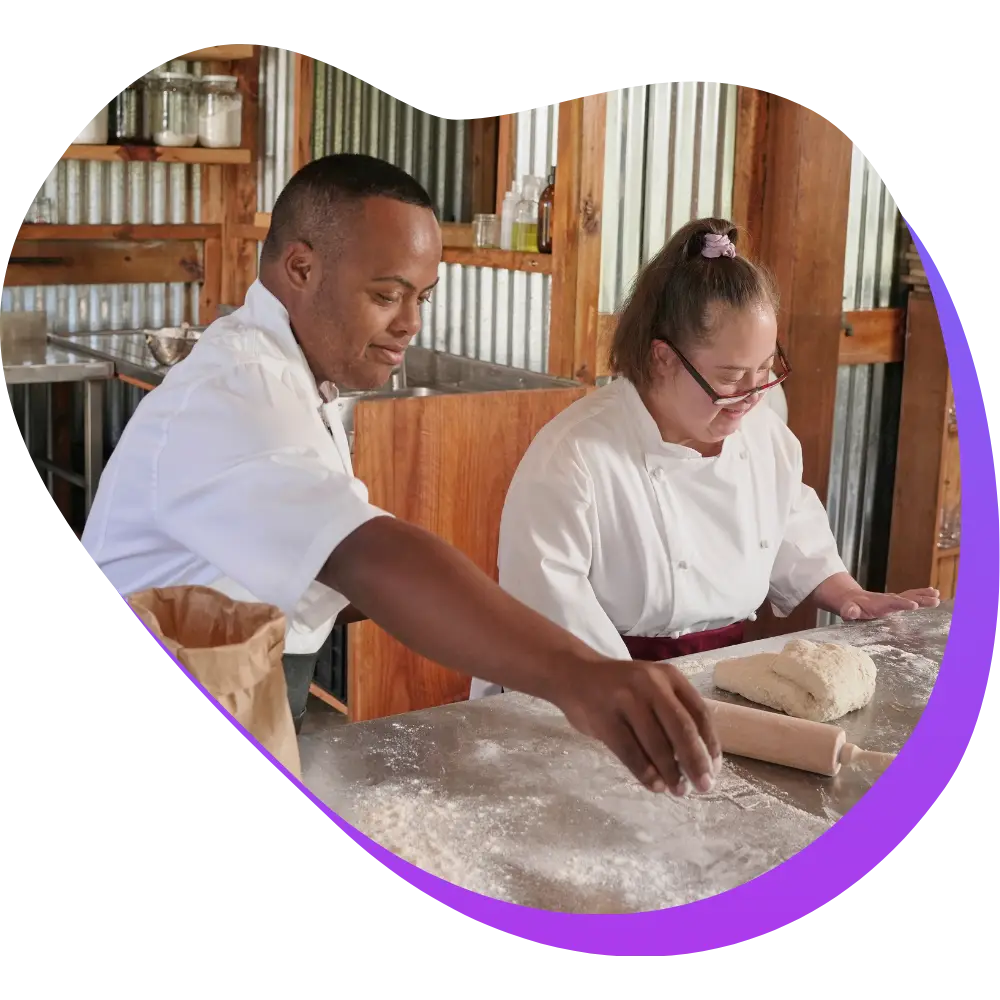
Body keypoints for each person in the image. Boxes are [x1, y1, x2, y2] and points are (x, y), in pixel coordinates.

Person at [79, 154, 722, 799]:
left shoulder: (299, 377)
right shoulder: (239, 391)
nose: (410, 322)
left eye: (421, 298)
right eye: (387, 295)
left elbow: (324, 564)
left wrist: (481, 613)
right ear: (301, 268)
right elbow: (365, 554)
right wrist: (578, 674)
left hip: (255, 694)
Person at [470, 218, 939, 699]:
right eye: (732, 376)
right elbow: (550, 612)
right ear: (662, 358)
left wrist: (847, 594)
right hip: (586, 690)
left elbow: (784, 526)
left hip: (720, 681)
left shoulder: (764, 438)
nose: (753, 393)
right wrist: (633, 700)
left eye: (765, 368)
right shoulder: (574, 456)